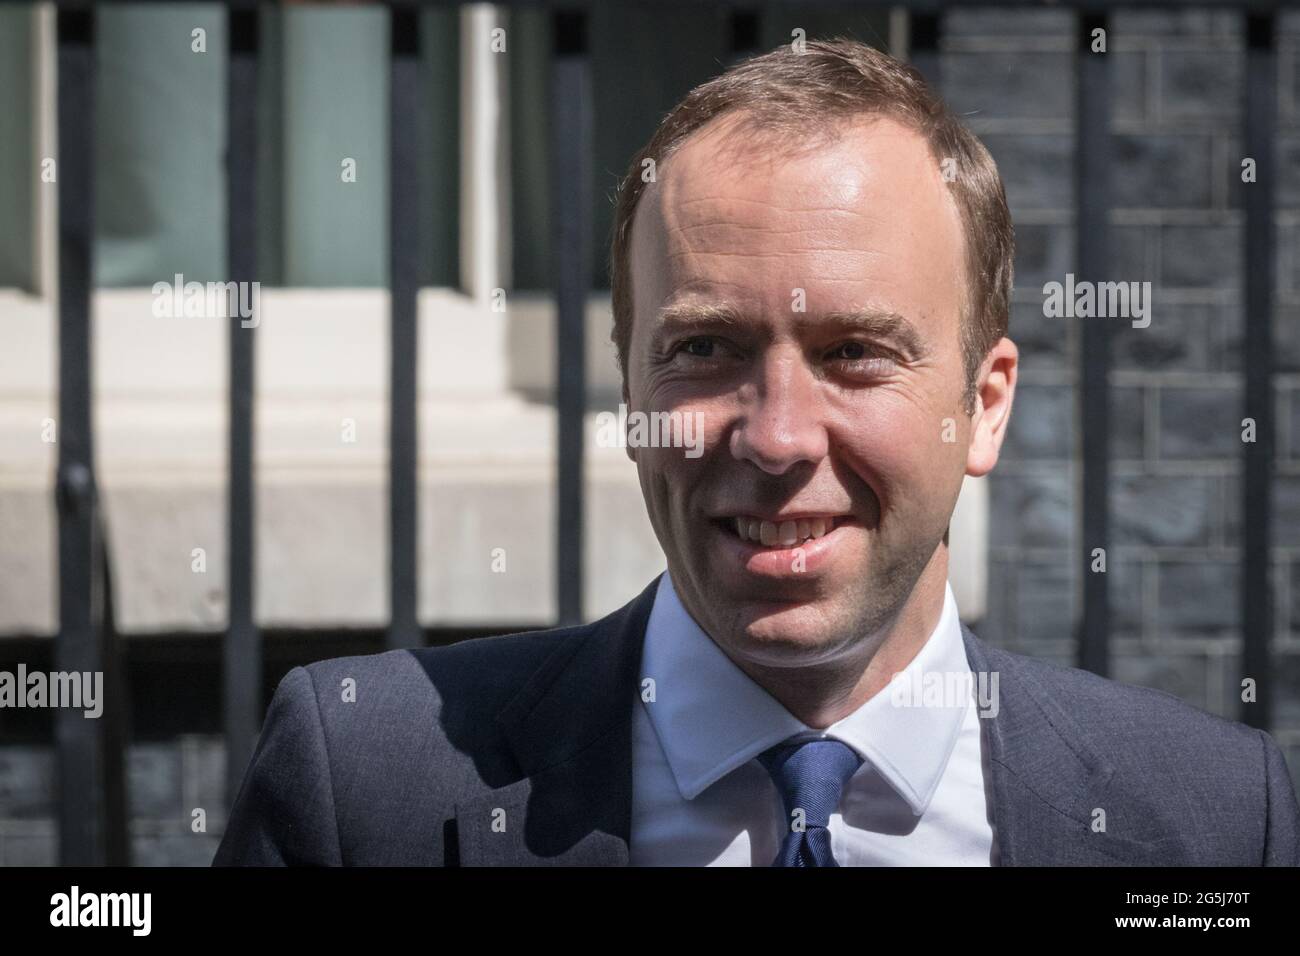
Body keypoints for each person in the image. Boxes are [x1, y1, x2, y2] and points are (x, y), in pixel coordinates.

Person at [214, 38, 1299, 867]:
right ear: (629, 381)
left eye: (854, 353)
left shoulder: (1212, 820)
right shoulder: (364, 785)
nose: (776, 434)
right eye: (703, 347)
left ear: (983, 404)